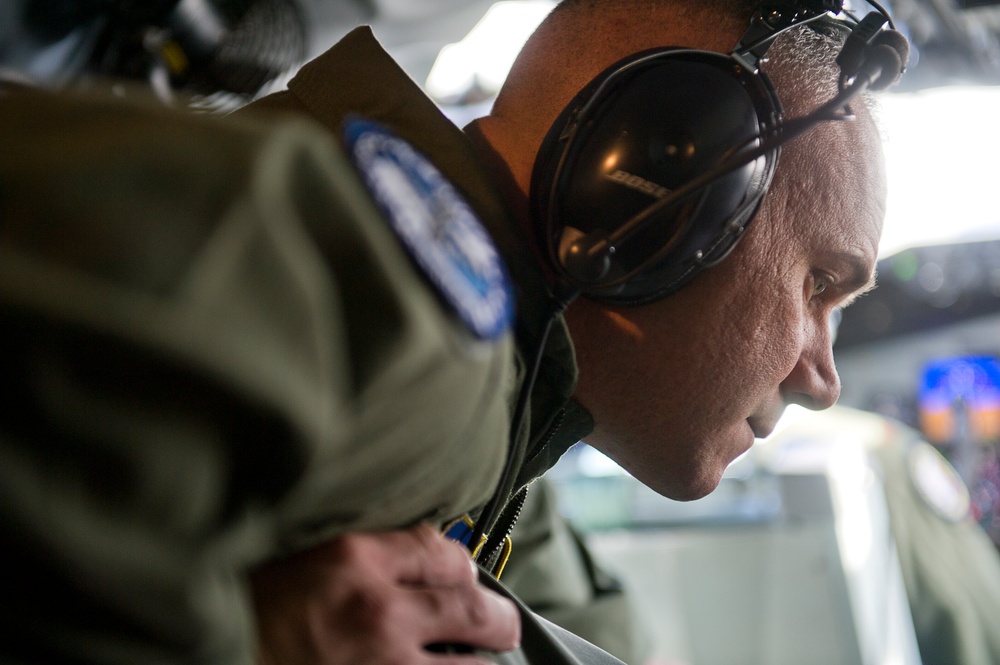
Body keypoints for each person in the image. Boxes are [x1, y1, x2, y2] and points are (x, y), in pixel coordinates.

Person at [0, 1, 905, 664]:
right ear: (665, 199)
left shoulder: (480, 386)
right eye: (821, 286)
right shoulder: (405, 322)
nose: (823, 376)